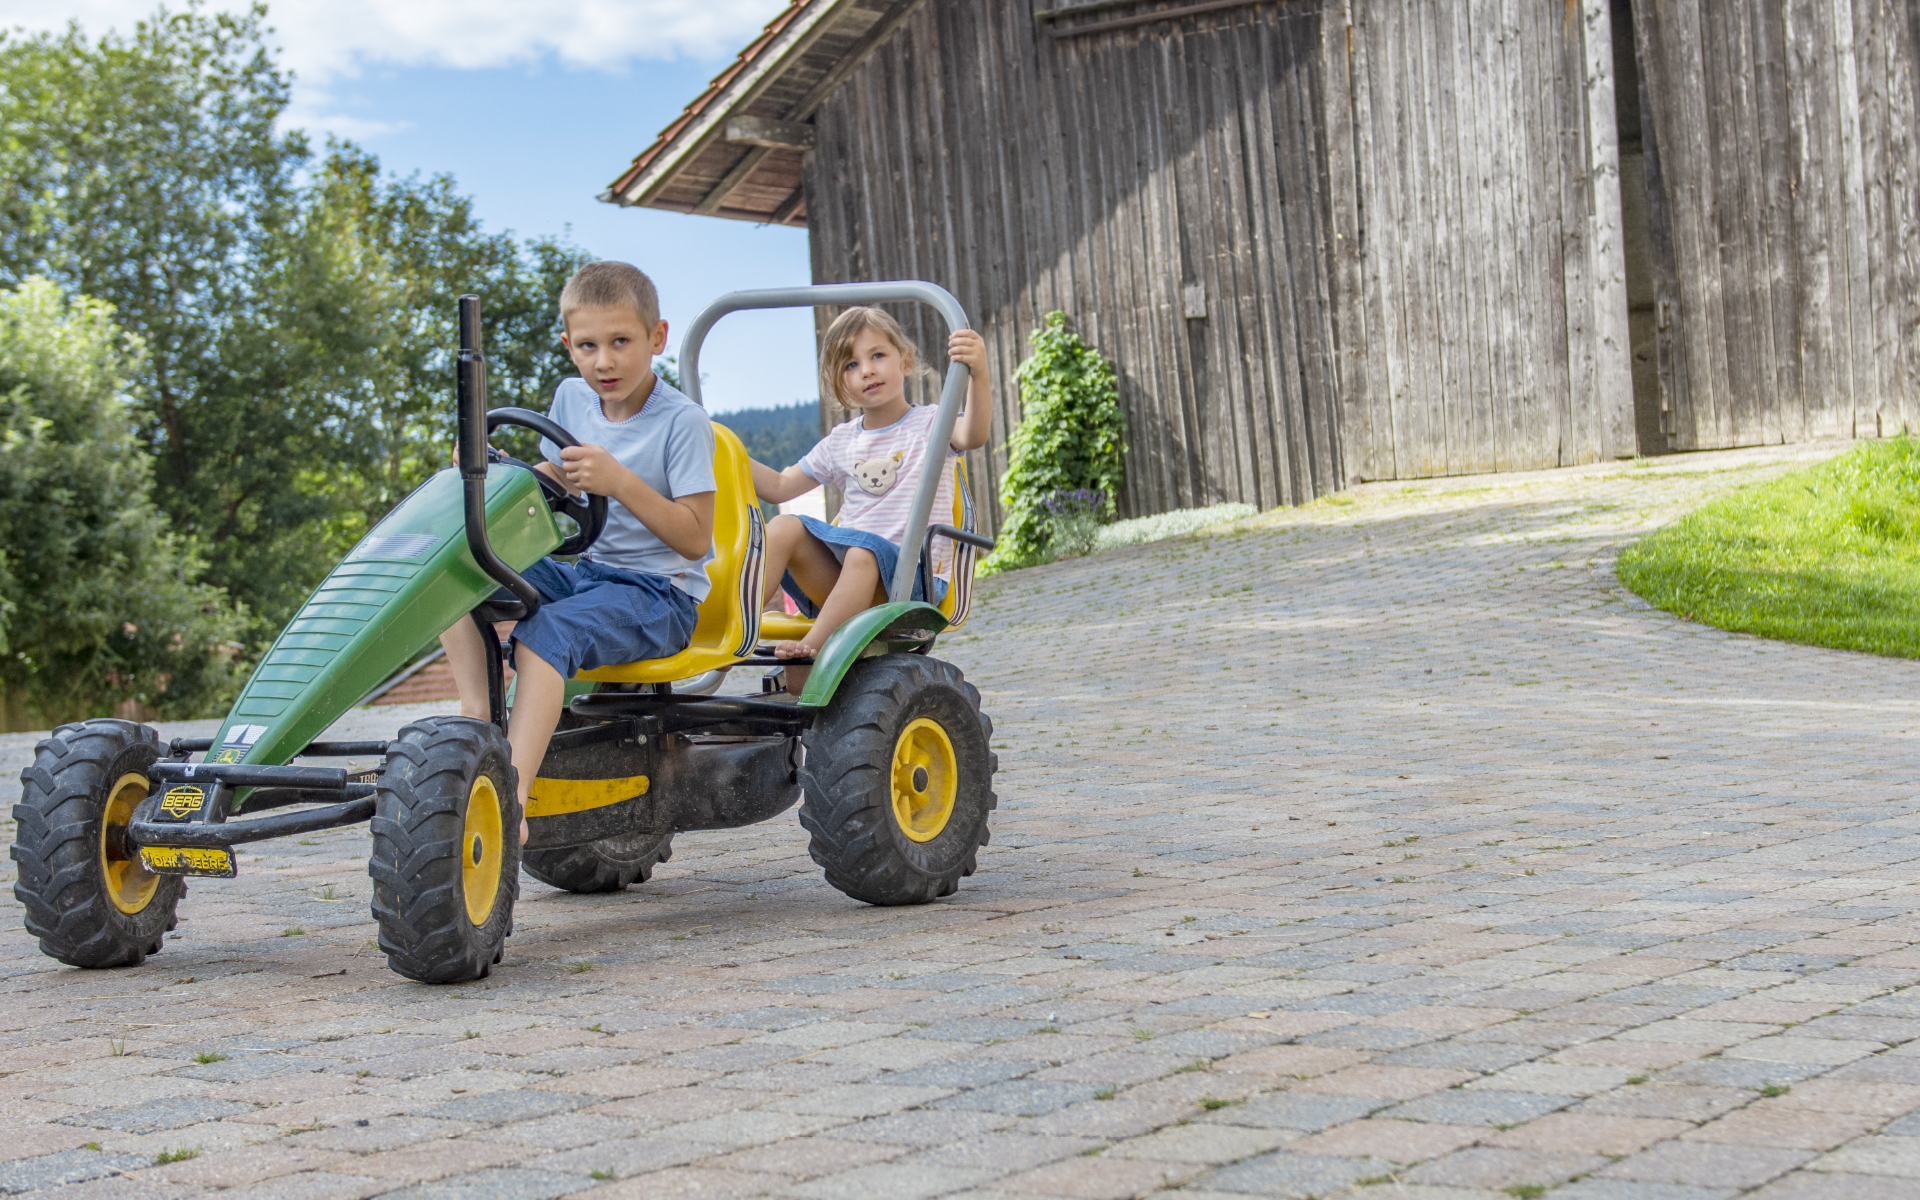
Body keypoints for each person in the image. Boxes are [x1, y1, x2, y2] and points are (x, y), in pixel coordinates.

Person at [439, 261, 716, 843]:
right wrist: (506, 476)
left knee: (546, 633)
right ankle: (479, 717)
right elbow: (557, 480)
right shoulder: (571, 399)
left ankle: (511, 796)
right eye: (588, 346)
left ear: (656, 338)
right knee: (454, 570)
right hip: (587, 572)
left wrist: (620, 482)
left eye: (621, 342)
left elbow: (695, 538)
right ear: (569, 346)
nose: (604, 362)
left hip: (659, 594)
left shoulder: (682, 422)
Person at [750, 306, 992, 689]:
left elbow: (974, 435)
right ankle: (736, 625)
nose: (866, 370)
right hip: (850, 580)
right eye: (850, 365)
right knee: (782, 527)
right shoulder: (841, 441)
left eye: (877, 355)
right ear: (839, 384)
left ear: (906, 360)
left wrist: (978, 373)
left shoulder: (932, 421)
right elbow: (779, 487)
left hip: (912, 583)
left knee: (864, 553)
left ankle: (813, 649)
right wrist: (721, 452)